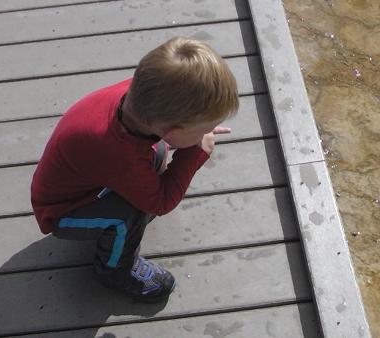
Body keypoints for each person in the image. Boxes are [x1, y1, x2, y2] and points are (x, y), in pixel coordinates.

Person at [31, 37, 239, 303]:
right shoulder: (119, 153)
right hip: (61, 212)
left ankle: (117, 225)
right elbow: (162, 202)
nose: (207, 134)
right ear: (171, 131)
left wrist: (191, 135)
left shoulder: (137, 98)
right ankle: (115, 271)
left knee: (159, 154)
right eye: (203, 130)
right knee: (129, 214)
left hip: (92, 179)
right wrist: (196, 151)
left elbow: (155, 142)